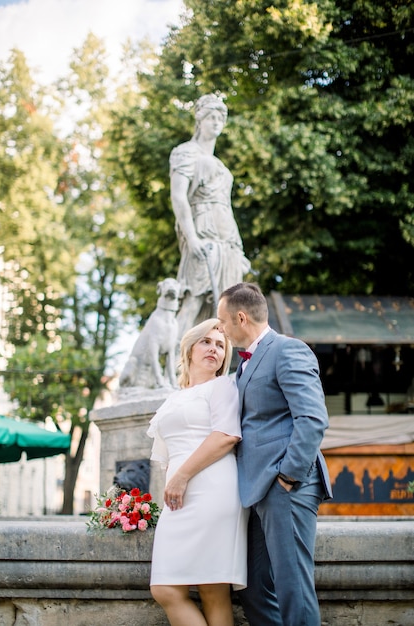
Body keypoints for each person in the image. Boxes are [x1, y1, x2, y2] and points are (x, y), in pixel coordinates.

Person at [217, 282, 333, 626]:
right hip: (255, 491)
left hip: (287, 487)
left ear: (241, 317)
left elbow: (312, 419)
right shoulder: (243, 365)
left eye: (222, 322)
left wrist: (287, 477)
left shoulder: (287, 350)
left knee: (293, 587)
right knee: (250, 587)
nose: (221, 329)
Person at [147, 317, 248, 626]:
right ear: (190, 348)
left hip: (213, 489)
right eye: (206, 341)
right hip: (180, 495)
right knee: (168, 588)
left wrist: (181, 477)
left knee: (212, 589)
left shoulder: (223, 386)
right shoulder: (174, 397)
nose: (213, 349)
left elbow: (226, 436)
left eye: (220, 345)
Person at [169, 94, 250, 339]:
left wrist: (238, 251)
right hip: (203, 232)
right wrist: (191, 238)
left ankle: (212, 371)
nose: (216, 122)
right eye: (211, 117)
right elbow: (179, 197)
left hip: (227, 237)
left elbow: (226, 206)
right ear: (200, 121)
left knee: (224, 310)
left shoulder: (220, 166)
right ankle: (174, 365)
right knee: (193, 300)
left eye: (220, 118)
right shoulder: (185, 153)